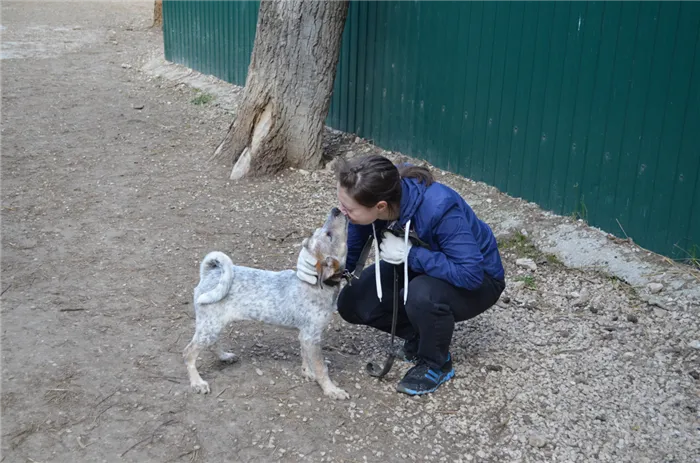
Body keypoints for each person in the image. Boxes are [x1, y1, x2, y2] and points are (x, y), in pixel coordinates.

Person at [296, 154, 505, 396]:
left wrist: (412, 255)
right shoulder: (374, 192)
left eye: (349, 208)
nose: (342, 211)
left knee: (420, 295)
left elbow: (471, 274)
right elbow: (351, 254)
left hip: (480, 281)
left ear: (380, 206)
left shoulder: (440, 207)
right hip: (419, 267)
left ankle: (435, 362)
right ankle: (422, 334)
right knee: (352, 302)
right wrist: (319, 270)